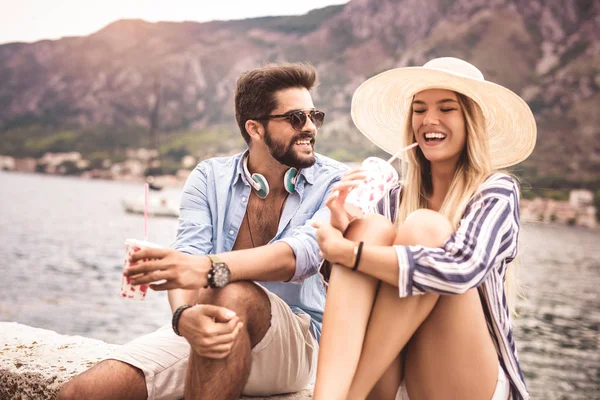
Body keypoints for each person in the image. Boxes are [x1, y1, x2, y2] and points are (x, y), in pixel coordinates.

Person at [58, 62, 348, 400]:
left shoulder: (336, 181)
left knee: (228, 290)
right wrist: (183, 317)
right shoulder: (209, 177)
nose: (310, 128)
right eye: (297, 118)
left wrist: (208, 269)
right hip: (214, 325)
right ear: (254, 128)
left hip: (295, 343)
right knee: (82, 393)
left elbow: (302, 255)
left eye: (315, 116)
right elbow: (188, 256)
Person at [311, 57, 535, 400]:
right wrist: (345, 232)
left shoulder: (496, 190)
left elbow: (461, 269)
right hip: (395, 372)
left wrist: (349, 253)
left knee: (425, 229)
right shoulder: (392, 199)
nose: (429, 120)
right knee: (369, 227)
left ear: (470, 122)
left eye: (447, 108)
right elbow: (351, 291)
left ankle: (350, 394)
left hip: (463, 375)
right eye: (419, 109)